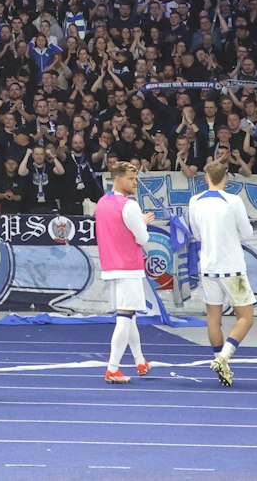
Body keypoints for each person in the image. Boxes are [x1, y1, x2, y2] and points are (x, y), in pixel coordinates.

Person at [185, 160, 257, 387]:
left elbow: (196, 234)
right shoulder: (233, 201)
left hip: (208, 267)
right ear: (225, 177)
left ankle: (220, 362)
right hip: (232, 268)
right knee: (246, 317)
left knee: (213, 319)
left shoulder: (195, 201)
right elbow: (247, 233)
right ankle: (223, 358)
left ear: (206, 177)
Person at [92, 160, 152, 384]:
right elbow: (142, 238)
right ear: (117, 179)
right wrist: (142, 223)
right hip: (128, 266)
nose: (135, 183)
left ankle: (140, 360)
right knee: (125, 318)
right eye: (131, 179)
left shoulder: (102, 203)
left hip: (111, 265)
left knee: (129, 316)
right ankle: (112, 368)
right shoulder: (130, 206)